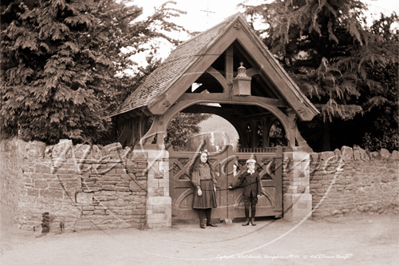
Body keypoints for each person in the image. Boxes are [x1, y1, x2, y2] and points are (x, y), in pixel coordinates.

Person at [228, 155, 261, 226]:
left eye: (253, 165)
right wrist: (232, 186)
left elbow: (259, 184)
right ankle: (247, 220)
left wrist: (259, 193)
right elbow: (240, 182)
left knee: (253, 206)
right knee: (246, 206)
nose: (252, 166)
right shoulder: (245, 174)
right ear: (248, 166)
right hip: (246, 193)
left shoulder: (256, 174)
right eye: (250, 165)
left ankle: (253, 220)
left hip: (254, 193)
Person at [189, 150, 218, 229]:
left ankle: (209, 222)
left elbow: (213, 176)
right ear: (200, 158)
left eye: (206, 157)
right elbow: (195, 178)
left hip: (209, 186)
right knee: (201, 204)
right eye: (203, 157)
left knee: (209, 204)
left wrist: (214, 186)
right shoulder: (197, 167)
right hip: (201, 186)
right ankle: (202, 223)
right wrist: (198, 188)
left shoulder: (209, 166)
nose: (205, 158)